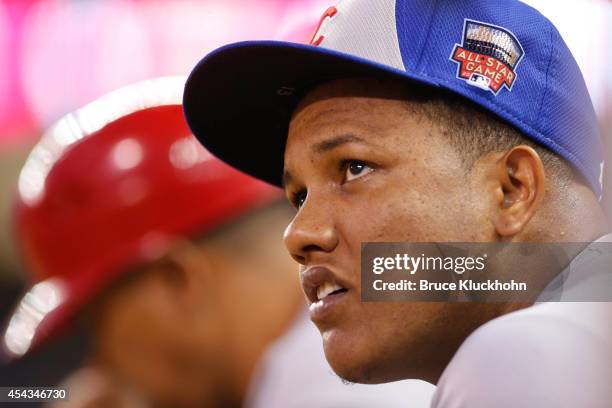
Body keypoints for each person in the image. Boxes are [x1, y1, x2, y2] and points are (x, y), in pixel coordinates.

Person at [182, 0, 612, 406]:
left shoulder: (529, 354)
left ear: (511, 189)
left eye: (354, 168)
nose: (299, 235)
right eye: (299, 197)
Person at [3, 77, 431, 407]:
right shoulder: (406, 321)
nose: (98, 372)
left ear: (178, 279)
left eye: (96, 328)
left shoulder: (330, 391)